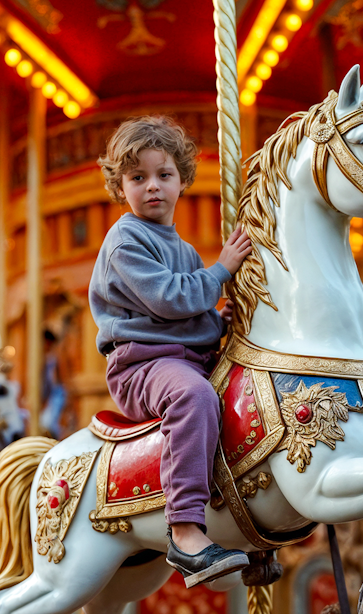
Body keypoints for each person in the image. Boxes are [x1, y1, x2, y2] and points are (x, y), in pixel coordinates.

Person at [89, 115, 252, 587]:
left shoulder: (179, 246)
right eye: (138, 178)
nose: (152, 187)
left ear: (182, 180)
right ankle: (184, 530)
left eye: (164, 175)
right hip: (142, 364)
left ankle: (251, 524)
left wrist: (216, 322)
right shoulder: (126, 240)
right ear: (121, 187)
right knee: (194, 398)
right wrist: (220, 271)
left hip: (182, 357)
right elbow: (169, 299)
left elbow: (186, 311)